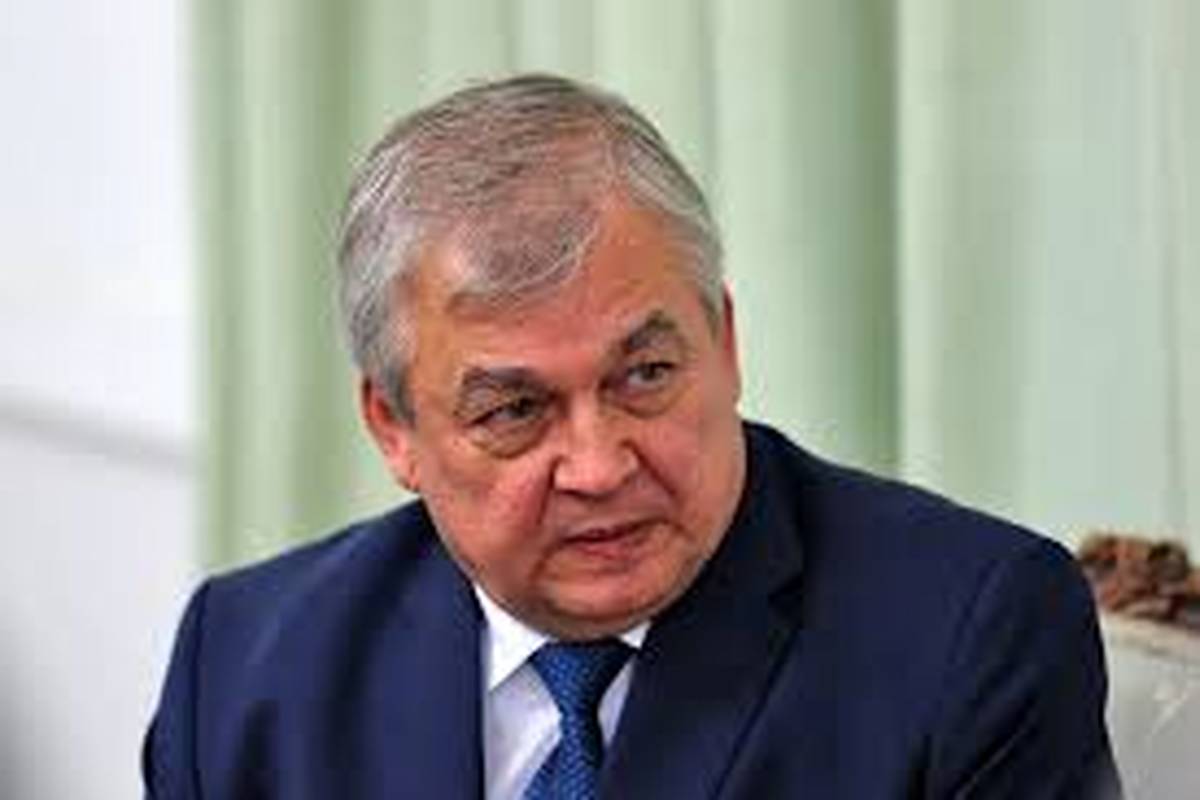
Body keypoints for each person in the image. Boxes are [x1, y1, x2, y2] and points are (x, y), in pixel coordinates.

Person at [143, 74, 1122, 799]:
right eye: (515, 412)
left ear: (724, 343)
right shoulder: (246, 669)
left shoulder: (970, 637)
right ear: (392, 429)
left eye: (645, 376)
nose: (600, 466)